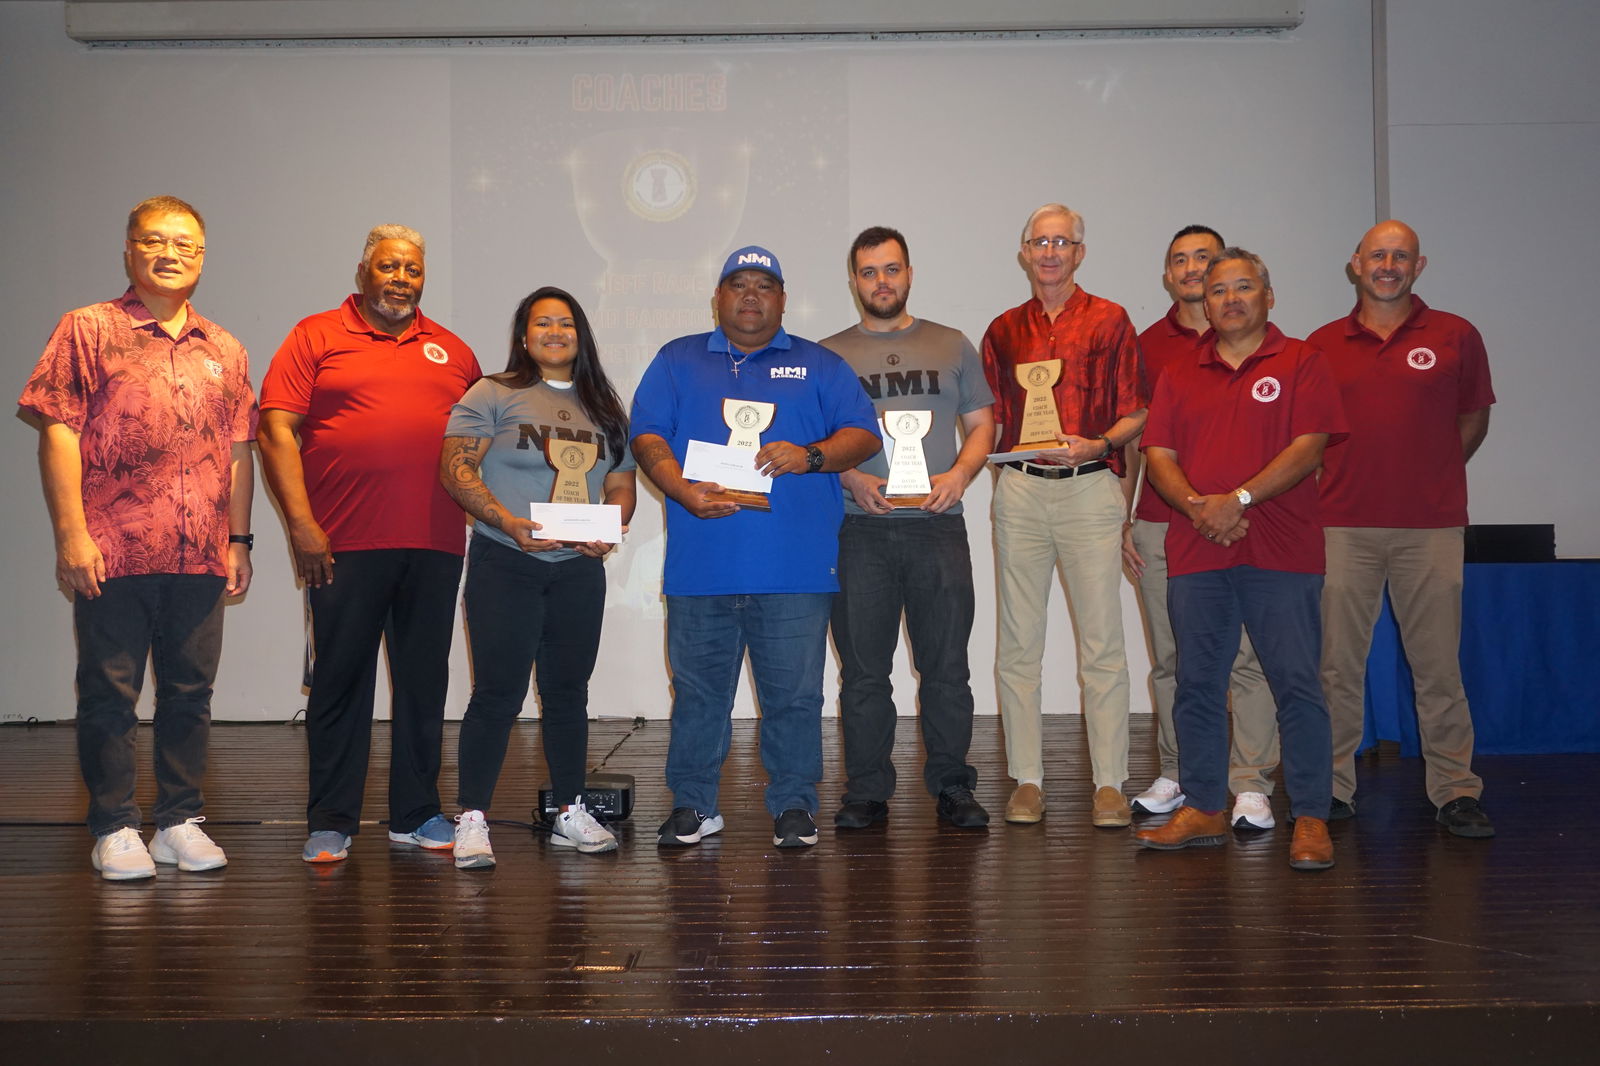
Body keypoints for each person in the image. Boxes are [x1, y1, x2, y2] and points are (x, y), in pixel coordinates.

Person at [18, 195, 256, 880]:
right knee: (109, 692)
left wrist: (239, 541)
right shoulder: (87, 329)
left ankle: (179, 820)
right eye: (153, 240)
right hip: (113, 549)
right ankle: (115, 825)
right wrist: (71, 534)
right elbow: (59, 430)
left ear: (202, 258)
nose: (169, 253)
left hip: (202, 554)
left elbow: (240, 450)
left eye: (184, 243)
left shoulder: (227, 347)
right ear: (129, 251)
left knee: (190, 693)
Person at [630, 245, 880, 849]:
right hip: (701, 568)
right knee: (697, 695)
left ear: (783, 300)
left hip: (794, 568)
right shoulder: (676, 359)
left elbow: (864, 435)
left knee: (794, 697)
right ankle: (693, 803)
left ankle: (793, 804)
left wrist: (810, 456)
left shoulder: (819, 364)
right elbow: (646, 435)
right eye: (737, 285)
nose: (750, 296)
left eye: (763, 286)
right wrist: (682, 490)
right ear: (716, 298)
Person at [258, 224, 481, 864]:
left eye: (412, 270)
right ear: (363, 272)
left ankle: (416, 813)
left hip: (436, 544)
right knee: (339, 681)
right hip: (341, 543)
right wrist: (302, 525)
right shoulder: (315, 336)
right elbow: (276, 429)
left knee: (422, 682)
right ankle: (332, 820)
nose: (401, 279)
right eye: (389, 267)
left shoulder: (453, 350)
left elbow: (479, 448)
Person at [1134, 248, 1346, 871]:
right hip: (1198, 549)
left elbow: (1310, 447)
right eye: (1218, 290)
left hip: (1282, 550)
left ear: (1268, 296)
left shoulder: (1303, 360)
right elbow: (1159, 454)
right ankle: (1202, 805)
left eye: (1243, 287)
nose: (1229, 299)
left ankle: (1310, 815)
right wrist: (1202, 507)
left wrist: (1240, 498)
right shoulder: (1179, 371)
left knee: (1297, 685)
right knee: (1198, 686)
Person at [1309, 220, 1496, 838]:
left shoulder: (1456, 335)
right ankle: (1330, 789)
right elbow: (1306, 438)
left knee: (1438, 666)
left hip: (1431, 527)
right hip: (1340, 526)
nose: (1388, 264)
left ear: (1419, 266)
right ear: (1355, 264)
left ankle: (1455, 791)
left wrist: (1428, 473)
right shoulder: (1321, 344)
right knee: (1336, 667)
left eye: (1401, 256)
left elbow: (1472, 419)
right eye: (1378, 255)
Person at [439, 287, 637, 867]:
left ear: (582, 336)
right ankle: (472, 817)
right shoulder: (493, 393)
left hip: (578, 568)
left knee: (568, 694)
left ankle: (570, 811)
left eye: (567, 323)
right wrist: (506, 521)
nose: (556, 332)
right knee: (496, 694)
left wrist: (613, 524)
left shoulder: (603, 406)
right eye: (543, 323)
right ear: (524, 336)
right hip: (507, 561)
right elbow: (456, 468)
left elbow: (620, 481)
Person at [819, 226, 996, 831]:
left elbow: (982, 424)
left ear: (910, 274)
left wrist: (961, 475)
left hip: (938, 526)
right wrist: (850, 479)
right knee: (865, 672)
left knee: (947, 667)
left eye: (891, 269)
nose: (881, 282)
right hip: (857, 530)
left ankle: (953, 786)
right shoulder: (828, 354)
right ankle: (868, 791)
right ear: (854, 280)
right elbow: (818, 444)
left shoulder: (952, 345)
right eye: (869, 272)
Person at [980, 203, 1148, 827]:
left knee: (1102, 644)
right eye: (1039, 241)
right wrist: (1013, 475)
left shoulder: (1111, 320)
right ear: (1024, 252)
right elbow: (991, 421)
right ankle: (1027, 779)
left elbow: (1136, 413)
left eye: (1062, 241)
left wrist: (1099, 446)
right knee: (1018, 645)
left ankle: (1109, 783)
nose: (1050, 251)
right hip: (1022, 492)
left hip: (1089, 489)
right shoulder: (1001, 329)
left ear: (1079, 252)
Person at [1124, 226, 1282, 830]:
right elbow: (1141, 440)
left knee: (1246, 660)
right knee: (1173, 660)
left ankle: (1250, 783)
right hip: (1164, 524)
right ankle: (1183, 772)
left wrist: (1233, 503)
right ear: (1168, 276)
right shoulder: (1148, 345)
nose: (1193, 269)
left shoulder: (1267, 346)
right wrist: (1126, 515)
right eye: (1180, 261)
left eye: (1205, 260)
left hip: (1250, 524)